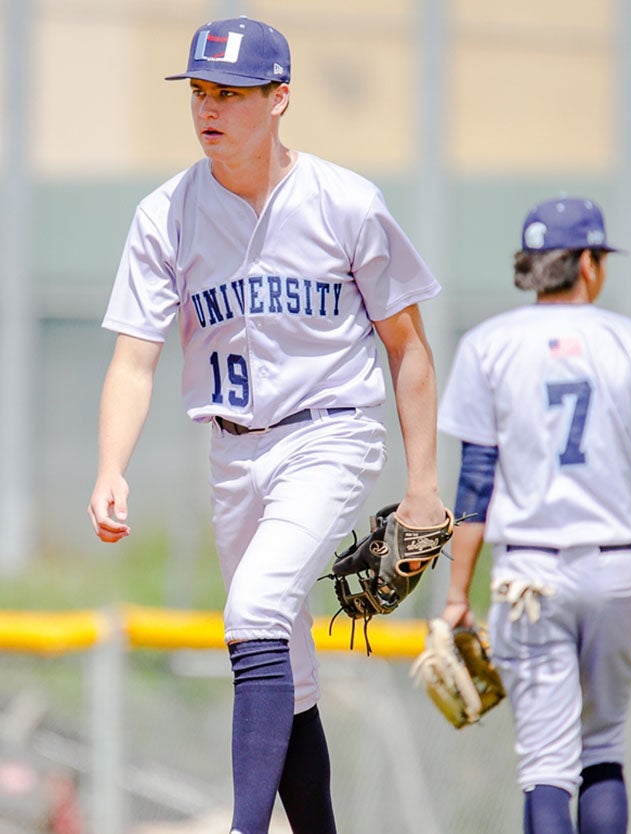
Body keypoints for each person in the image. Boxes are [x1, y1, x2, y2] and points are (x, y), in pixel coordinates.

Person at [86, 16, 446, 834]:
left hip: (331, 435)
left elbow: (409, 350)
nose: (210, 109)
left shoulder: (345, 204)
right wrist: (112, 466)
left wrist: (423, 488)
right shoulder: (166, 215)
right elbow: (133, 361)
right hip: (232, 449)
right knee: (288, 667)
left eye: (233, 95)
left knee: (250, 614)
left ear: (280, 99)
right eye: (202, 93)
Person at [435, 196, 631, 834]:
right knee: (604, 748)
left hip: (529, 573)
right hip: (616, 571)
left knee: (546, 765)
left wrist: (455, 596)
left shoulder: (487, 345)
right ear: (587, 263)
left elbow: (476, 480)